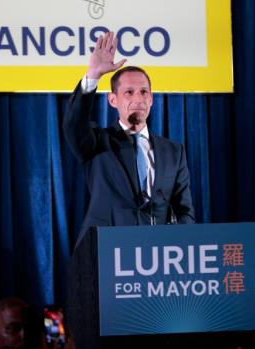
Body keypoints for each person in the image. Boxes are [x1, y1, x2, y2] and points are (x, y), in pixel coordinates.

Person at [63, 31, 195, 243]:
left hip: (159, 257)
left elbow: (184, 210)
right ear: (113, 100)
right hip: (105, 253)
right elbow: (73, 125)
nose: (138, 99)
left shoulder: (173, 152)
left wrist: (179, 244)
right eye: (129, 92)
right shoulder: (97, 142)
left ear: (151, 99)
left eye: (144, 92)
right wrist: (93, 74)